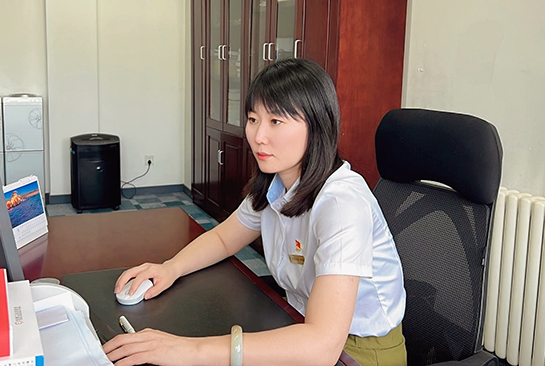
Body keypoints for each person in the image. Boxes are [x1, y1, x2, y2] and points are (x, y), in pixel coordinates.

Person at [103, 59, 407, 366]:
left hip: (357, 351)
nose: (258, 135)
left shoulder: (342, 204)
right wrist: (170, 269)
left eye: (276, 121)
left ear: (317, 126)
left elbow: (322, 348)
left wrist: (186, 350)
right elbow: (224, 239)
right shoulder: (276, 185)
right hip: (296, 323)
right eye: (253, 119)